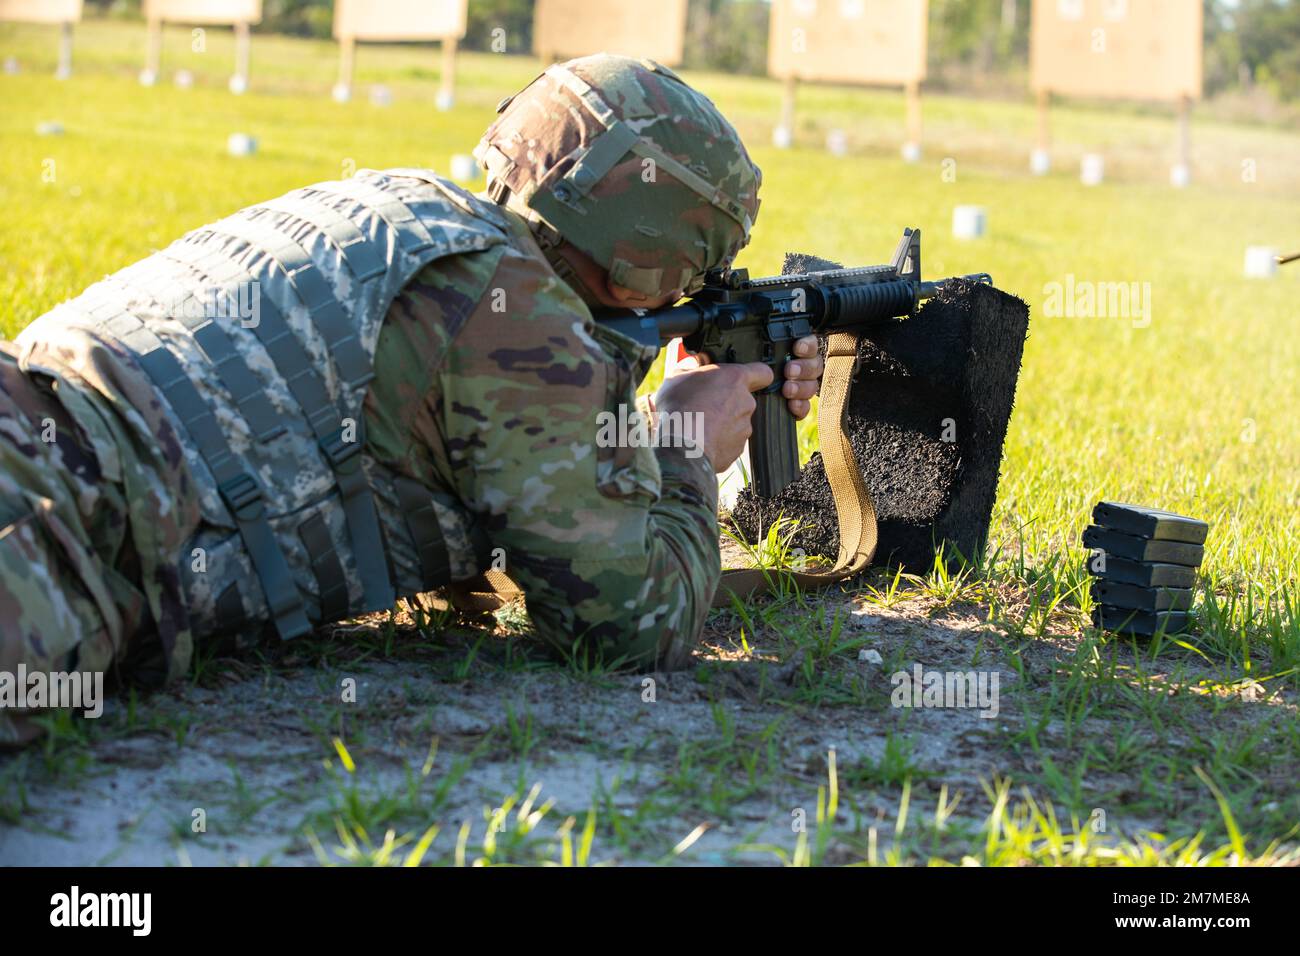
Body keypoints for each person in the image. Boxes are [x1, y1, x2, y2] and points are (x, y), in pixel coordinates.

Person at [0, 54, 823, 746]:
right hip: (60, 522)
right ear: (640, 254)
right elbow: (635, 627)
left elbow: (471, 454)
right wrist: (681, 443)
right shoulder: (522, 322)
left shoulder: (408, 213)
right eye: (689, 271)